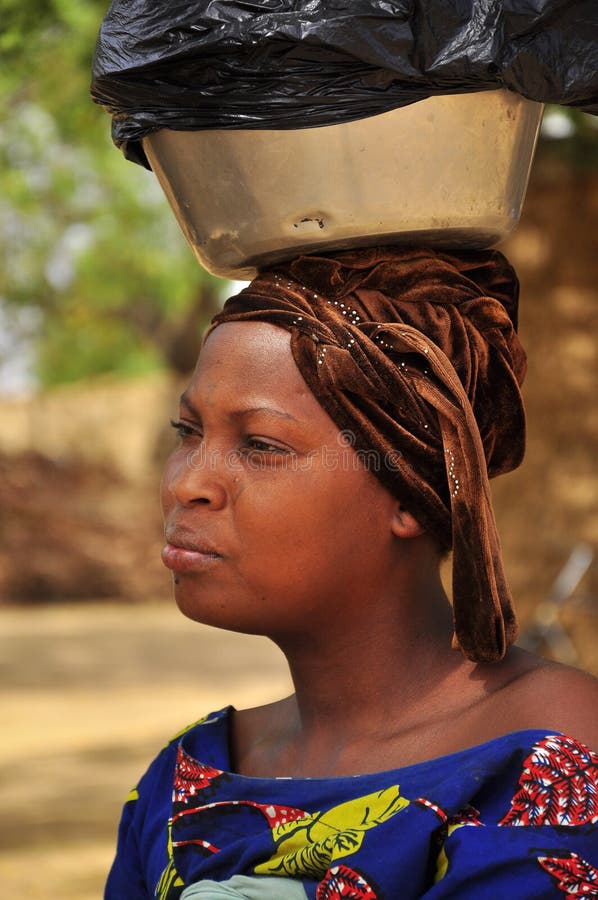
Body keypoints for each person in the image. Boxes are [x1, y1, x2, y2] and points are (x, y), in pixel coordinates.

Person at [105, 247, 598, 900]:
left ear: (408, 492)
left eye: (260, 446)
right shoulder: (183, 783)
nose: (188, 483)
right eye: (187, 430)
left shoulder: (547, 755)